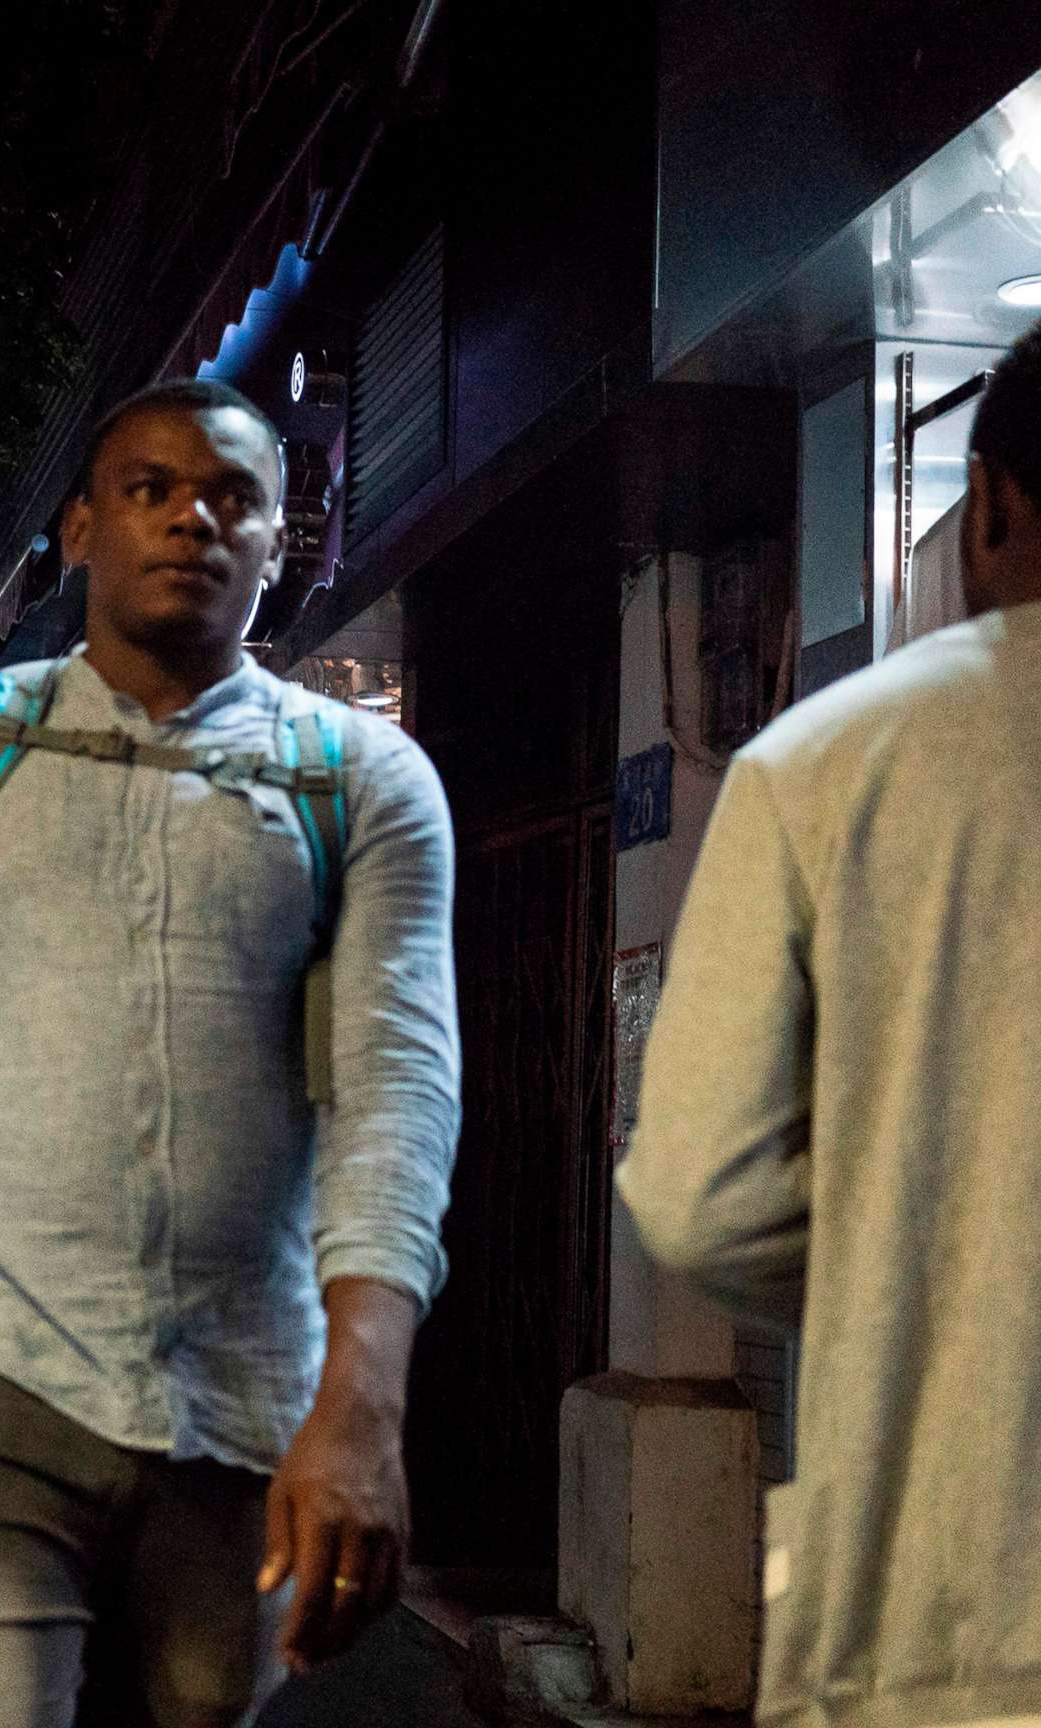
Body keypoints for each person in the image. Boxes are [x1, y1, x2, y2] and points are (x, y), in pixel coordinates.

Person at [0, 378, 463, 1728]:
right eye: (151, 490)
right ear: (81, 529)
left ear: (278, 544)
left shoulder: (358, 781)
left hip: (244, 1403)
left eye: (232, 499)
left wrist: (363, 1406)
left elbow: (396, 1098)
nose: (192, 519)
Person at [618, 317, 1041, 1728]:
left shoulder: (824, 765)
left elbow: (697, 1193)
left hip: (938, 1621)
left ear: (987, 506)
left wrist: (909, 1265)